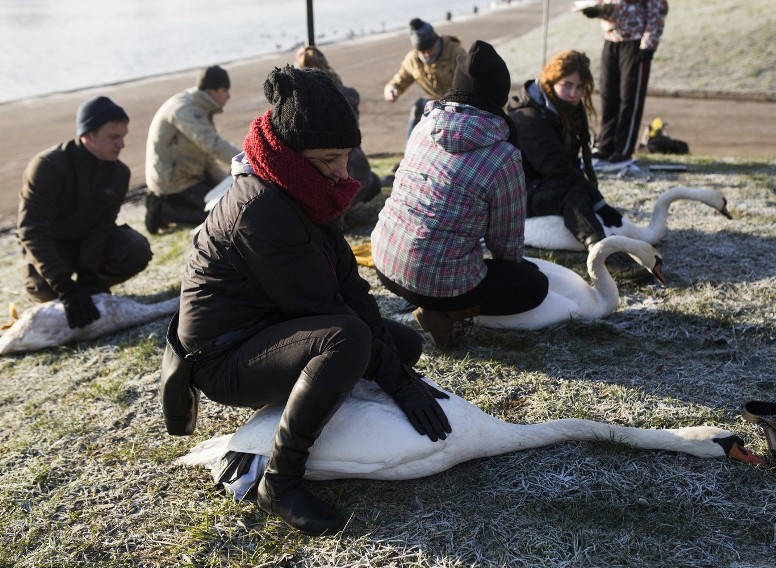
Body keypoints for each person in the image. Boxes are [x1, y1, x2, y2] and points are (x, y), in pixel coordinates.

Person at [176, 66, 451, 536]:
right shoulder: (260, 207)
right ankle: (280, 483)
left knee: (399, 347)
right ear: (292, 152)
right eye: (330, 159)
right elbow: (324, 307)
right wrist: (398, 384)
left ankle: (323, 395)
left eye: (347, 156)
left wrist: (400, 376)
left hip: (269, 326)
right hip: (224, 357)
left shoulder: (302, 187)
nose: (345, 173)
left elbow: (350, 286)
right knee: (347, 340)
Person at [371, 40, 549, 349]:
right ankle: (444, 314)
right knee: (534, 285)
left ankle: (436, 303)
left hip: (384, 262)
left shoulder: (424, 125)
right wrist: (512, 270)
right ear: (500, 97)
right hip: (433, 284)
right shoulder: (503, 155)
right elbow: (505, 246)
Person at [17, 96, 152, 329]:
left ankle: (92, 287)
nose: (122, 145)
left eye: (123, 137)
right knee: (45, 292)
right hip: (52, 248)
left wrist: (89, 275)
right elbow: (32, 231)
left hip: (86, 245)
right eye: (114, 137)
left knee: (135, 250)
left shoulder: (119, 173)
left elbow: (102, 227)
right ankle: (67, 290)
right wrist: (64, 286)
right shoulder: (47, 166)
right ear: (87, 136)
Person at [506, 50, 644, 278]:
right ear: (550, 80)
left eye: (580, 88)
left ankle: (602, 243)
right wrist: (599, 203)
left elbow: (569, 164)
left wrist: (595, 200)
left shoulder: (565, 109)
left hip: (543, 182)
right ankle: (602, 253)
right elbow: (558, 169)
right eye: (567, 85)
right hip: (517, 192)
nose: (574, 93)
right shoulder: (528, 118)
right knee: (570, 192)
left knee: (574, 187)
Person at [144, 65, 241, 234]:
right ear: (212, 90)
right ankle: (161, 210)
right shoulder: (185, 109)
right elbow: (212, 144)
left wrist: (229, 181)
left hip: (190, 173)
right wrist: (246, 161)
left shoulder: (199, 107)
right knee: (214, 215)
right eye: (225, 90)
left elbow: (207, 155)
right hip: (173, 180)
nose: (229, 96)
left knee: (228, 201)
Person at [295, 45, 381, 219]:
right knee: (372, 182)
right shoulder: (348, 96)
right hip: (355, 172)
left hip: (322, 182)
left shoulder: (300, 105)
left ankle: (344, 209)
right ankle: (349, 208)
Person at [581, 0, 669, 166]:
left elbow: (657, 9)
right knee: (608, 94)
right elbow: (610, 6)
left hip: (635, 42)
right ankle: (605, 146)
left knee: (629, 97)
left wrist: (648, 44)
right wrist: (597, 11)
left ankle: (624, 150)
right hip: (611, 39)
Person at [382, 18, 466, 185]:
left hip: (460, 103)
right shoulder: (412, 59)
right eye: (423, 51)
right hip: (436, 104)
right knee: (417, 107)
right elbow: (400, 80)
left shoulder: (455, 51)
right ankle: (410, 156)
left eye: (431, 49)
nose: (428, 54)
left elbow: (469, 79)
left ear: (437, 40)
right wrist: (392, 90)